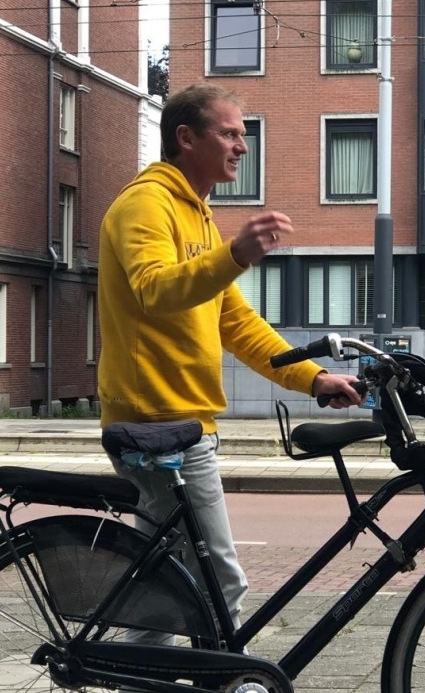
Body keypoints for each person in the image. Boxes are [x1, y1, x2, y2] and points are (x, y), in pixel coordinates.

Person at [97, 82, 364, 630]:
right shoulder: (145, 204)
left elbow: (236, 323)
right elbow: (154, 289)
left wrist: (312, 379)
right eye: (229, 133)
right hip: (157, 425)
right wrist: (236, 253)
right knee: (220, 580)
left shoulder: (198, 214)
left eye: (243, 135)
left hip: (184, 422)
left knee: (166, 574)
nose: (242, 145)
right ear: (186, 137)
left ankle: (143, 674)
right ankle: (206, 678)